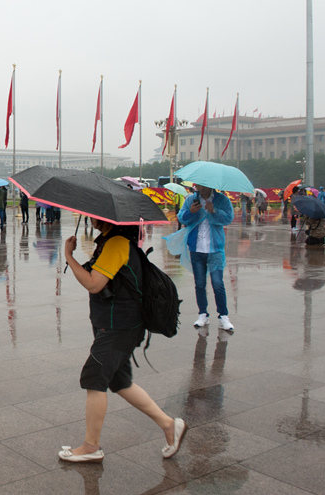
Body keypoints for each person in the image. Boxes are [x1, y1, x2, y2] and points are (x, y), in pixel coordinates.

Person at [60, 219, 185, 463]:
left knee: (94, 378)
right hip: (117, 324)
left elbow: (94, 284)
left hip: (118, 326)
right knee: (120, 381)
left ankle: (90, 446)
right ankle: (169, 425)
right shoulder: (111, 241)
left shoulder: (117, 243)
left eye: (94, 214)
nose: (91, 217)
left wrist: (68, 256)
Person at [177, 184, 235, 332]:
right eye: (198, 185)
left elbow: (228, 218)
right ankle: (203, 314)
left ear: (210, 185)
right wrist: (191, 212)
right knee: (200, 283)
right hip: (196, 248)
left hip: (215, 249)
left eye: (203, 185)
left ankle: (223, 316)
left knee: (217, 284)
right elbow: (182, 217)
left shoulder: (222, 200)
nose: (200, 188)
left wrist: (214, 210)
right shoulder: (191, 199)